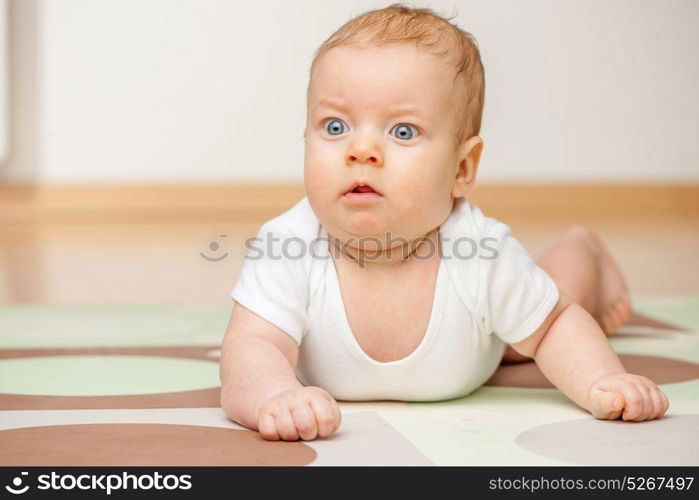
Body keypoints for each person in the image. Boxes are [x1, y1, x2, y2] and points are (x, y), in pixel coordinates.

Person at [219, 4, 668, 441]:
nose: (361, 150)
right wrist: (274, 394)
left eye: (403, 131)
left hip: (481, 342)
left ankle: (582, 249)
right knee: (517, 327)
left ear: (461, 169)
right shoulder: (288, 243)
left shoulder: (480, 251)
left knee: (531, 330)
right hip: (473, 335)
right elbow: (252, 346)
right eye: (335, 127)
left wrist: (602, 381)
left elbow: (555, 325)